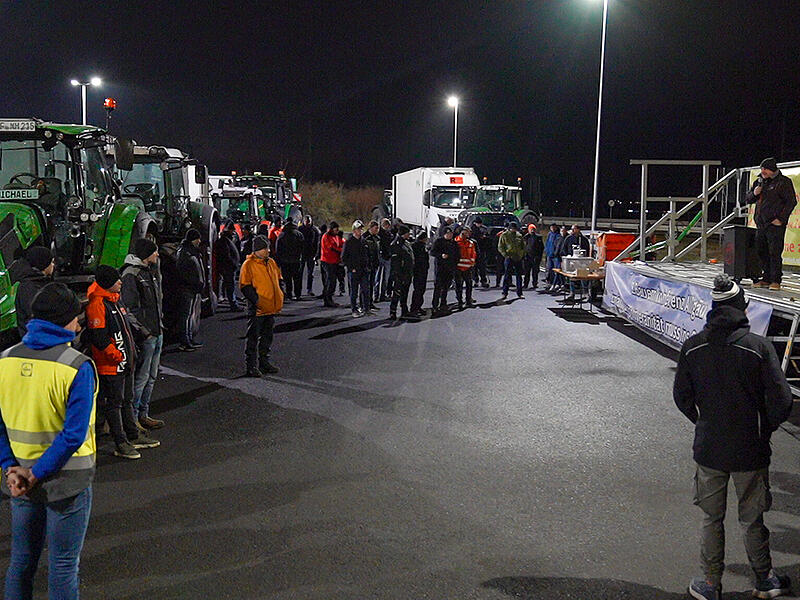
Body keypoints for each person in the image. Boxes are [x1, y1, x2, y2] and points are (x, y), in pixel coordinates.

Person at [673, 274, 793, 600]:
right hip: (749, 450)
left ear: (714, 309)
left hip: (709, 447)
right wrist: (763, 427)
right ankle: (765, 579)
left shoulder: (693, 347)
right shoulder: (758, 348)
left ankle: (711, 584)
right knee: (752, 519)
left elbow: (682, 396)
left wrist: (704, 421)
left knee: (712, 518)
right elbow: (783, 400)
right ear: (742, 308)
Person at [0, 283, 95, 600]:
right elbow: (73, 435)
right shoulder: (76, 366)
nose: (79, 323)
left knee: (21, 563)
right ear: (64, 322)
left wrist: (11, 468)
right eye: (75, 318)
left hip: (19, 480)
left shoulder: (5, 360)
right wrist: (37, 472)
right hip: (66, 481)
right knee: (64, 565)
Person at [87, 266, 159, 459]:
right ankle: (120, 442)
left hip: (124, 362)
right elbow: (99, 338)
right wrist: (117, 356)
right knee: (114, 404)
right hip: (111, 365)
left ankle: (132, 436)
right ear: (108, 283)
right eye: (117, 280)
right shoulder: (98, 304)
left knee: (126, 400)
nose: (121, 282)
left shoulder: (114, 300)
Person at [121, 239, 165, 431]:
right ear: (146, 254)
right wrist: (144, 333)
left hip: (157, 332)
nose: (157, 255)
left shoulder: (149, 272)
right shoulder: (132, 275)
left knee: (152, 376)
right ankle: (133, 419)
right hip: (147, 335)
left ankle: (143, 414)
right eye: (154, 252)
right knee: (142, 377)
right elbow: (129, 309)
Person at [746, 157, 797, 291]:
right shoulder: (759, 181)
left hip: (775, 224)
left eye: (765, 169)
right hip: (761, 223)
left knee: (774, 251)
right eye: (761, 169)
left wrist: (780, 219)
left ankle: (776, 280)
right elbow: (748, 199)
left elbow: (791, 202)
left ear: (772, 170)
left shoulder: (784, 182)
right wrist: (754, 193)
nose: (763, 171)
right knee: (761, 250)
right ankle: (765, 278)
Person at [239, 235, 284, 376]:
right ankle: (251, 366)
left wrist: (281, 292)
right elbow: (245, 286)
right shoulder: (248, 265)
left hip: (270, 308)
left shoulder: (271, 262)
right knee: (253, 338)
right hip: (257, 309)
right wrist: (257, 301)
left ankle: (264, 363)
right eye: (265, 248)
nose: (268, 251)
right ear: (257, 250)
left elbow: (279, 278)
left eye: (268, 248)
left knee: (267, 337)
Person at [10, 246, 54, 338]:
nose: (53, 265)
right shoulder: (30, 288)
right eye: (51, 262)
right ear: (44, 265)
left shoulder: (36, 282)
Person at [175, 229, 205, 351]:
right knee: (185, 316)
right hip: (187, 289)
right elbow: (184, 273)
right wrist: (194, 284)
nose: (199, 241)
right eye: (198, 238)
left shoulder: (191, 252)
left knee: (188, 315)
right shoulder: (185, 253)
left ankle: (189, 339)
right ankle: (185, 341)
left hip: (192, 289)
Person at [341, 220, 372, 318]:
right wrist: (351, 268)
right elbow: (344, 257)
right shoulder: (349, 242)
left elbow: (368, 255)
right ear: (354, 230)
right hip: (354, 271)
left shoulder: (364, 241)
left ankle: (366, 309)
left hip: (364, 271)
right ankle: (354, 309)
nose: (361, 230)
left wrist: (368, 266)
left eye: (362, 228)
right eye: (359, 228)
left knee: (365, 290)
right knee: (354, 292)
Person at [429, 226, 459, 314]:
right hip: (440, 268)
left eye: (451, 234)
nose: (450, 235)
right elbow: (432, 252)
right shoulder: (438, 242)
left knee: (446, 287)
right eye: (448, 234)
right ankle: (435, 305)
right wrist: (441, 255)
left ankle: (443, 303)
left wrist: (455, 263)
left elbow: (457, 254)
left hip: (449, 268)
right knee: (438, 287)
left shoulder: (453, 243)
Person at [559, 224, 592, 301]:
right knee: (572, 278)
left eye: (574, 229)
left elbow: (587, 250)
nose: (572, 231)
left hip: (582, 262)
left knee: (583, 278)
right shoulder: (568, 238)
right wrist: (567, 257)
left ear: (578, 229)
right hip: (572, 262)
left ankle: (585, 293)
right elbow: (564, 249)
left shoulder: (583, 239)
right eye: (572, 229)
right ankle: (572, 293)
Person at [275, 219, 305, 301]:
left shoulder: (282, 234)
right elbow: (303, 247)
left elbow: (278, 248)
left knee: (287, 279)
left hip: (285, 260)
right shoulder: (299, 234)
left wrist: (278, 260)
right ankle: (298, 294)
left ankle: (289, 294)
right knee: (297, 279)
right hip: (296, 260)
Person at [389, 225, 414, 319]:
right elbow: (395, 262)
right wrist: (397, 274)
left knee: (405, 292)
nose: (409, 234)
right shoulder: (396, 244)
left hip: (407, 272)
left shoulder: (406, 243)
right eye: (408, 233)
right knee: (397, 293)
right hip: (400, 273)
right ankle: (393, 311)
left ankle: (404, 310)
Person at [215, 224, 242, 311]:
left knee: (230, 285)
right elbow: (226, 255)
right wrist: (233, 264)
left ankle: (231, 301)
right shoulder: (225, 241)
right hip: (228, 268)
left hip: (228, 267)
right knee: (230, 286)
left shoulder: (225, 240)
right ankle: (233, 304)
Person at [498, 221, 526, 299]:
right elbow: (500, 246)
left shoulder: (519, 235)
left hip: (518, 258)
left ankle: (520, 293)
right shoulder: (504, 235)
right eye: (512, 228)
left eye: (515, 228)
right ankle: (504, 292)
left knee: (519, 276)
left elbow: (523, 246)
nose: (514, 230)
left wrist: (522, 255)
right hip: (509, 258)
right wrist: (505, 255)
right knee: (507, 275)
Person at [320, 221, 343, 307]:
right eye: (335, 230)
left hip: (334, 261)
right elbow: (331, 247)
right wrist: (341, 250)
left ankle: (329, 298)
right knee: (330, 281)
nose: (337, 232)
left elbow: (341, 243)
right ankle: (327, 299)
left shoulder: (335, 236)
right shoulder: (326, 236)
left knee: (332, 281)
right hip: (327, 261)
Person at [454, 226, 477, 309]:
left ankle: (468, 300)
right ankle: (460, 301)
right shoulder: (455, 242)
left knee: (469, 285)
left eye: (467, 233)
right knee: (458, 285)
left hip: (468, 267)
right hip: (458, 267)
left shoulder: (470, 243)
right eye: (464, 233)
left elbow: (473, 254)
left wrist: (472, 262)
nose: (466, 235)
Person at [298, 215, 320, 296]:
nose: (308, 223)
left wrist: (316, 255)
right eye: (306, 221)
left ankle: (309, 289)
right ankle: (298, 290)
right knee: (299, 273)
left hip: (311, 254)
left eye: (309, 221)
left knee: (311, 273)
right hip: (302, 253)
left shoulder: (315, 230)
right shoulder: (300, 229)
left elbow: (317, 244)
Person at [410, 231, 429, 316]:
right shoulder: (416, 246)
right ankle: (414, 308)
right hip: (418, 270)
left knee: (421, 289)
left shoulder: (422, 246)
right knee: (418, 289)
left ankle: (418, 306)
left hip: (423, 270)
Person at [364, 221, 381, 310]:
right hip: (367, 265)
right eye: (375, 228)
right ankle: (364, 303)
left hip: (374, 264)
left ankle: (370, 302)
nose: (377, 230)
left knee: (371, 284)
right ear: (370, 228)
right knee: (365, 286)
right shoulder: (365, 237)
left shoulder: (377, 238)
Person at [375, 218, 393, 301]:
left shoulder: (388, 234)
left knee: (383, 278)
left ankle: (381, 295)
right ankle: (377, 295)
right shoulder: (380, 234)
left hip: (386, 257)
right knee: (379, 278)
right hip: (381, 257)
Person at [522, 224, 544, 289]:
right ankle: (525, 284)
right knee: (526, 272)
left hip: (535, 257)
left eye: (533, 229)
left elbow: (541, 248)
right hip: (527, 257)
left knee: (535, 272)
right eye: (531, 229)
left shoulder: (538, 237)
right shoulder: (526, 237)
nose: (532, 230)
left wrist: (539, 257)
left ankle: (535, 283)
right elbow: (523, 247)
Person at [470, 217, 490, 288]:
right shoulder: (472, 230)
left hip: (480, 250)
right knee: (476, 267)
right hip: (475, 251)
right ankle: (477, 280)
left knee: (480, 267)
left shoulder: (482, 229)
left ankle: (481, 280)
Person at [544, 223, 560, 291]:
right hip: (549, 254)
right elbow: (547, 243)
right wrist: (546, 250)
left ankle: (556, 283)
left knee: (556, 270)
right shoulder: (549, 234)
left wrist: (556, 252)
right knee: (549, 268)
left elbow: (558, 245)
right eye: (551, 227)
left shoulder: (558, 235)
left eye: (554, 227)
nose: (553, 228)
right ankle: (549, 281)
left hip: (555, 255)